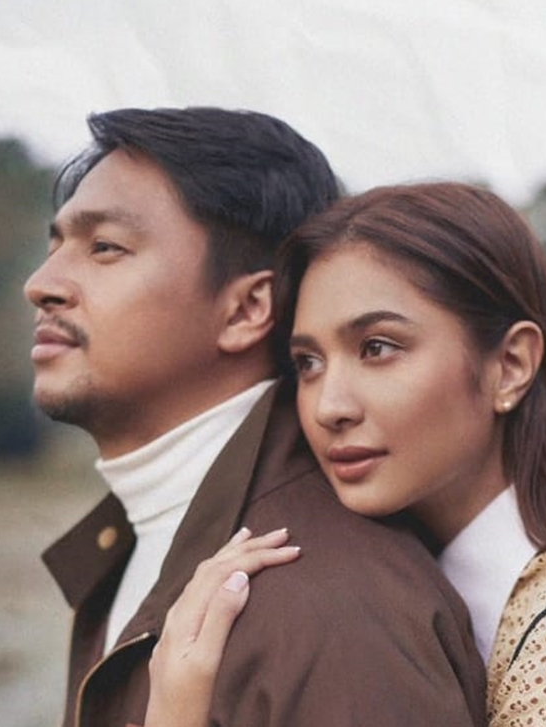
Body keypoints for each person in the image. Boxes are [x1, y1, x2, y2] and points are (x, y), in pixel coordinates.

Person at [24, 108, 487, 727]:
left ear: (246, 310)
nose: (42, 283)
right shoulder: (140, 540)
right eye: (55, 247)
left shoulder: (328, 606)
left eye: (104, 247)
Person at [156, 181, 546, 726]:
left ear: (510, 367)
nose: (329, 407)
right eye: (309, 363)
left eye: (377, 348)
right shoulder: (387, 583)